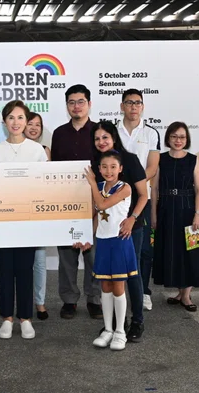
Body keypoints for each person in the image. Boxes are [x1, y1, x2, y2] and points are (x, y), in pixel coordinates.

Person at [0, 100, 48, 339]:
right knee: (4, 270)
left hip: (27, 221)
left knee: (25, 270)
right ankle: (7, 318)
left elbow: (43, 185)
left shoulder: (36, 150)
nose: (16, 122)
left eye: (20, 117)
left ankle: (25, 318)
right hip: (1, 222)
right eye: (11, 118)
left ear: (27, 121)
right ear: (4, 122)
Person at [91, 121, 148, 341]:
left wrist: (132, 219)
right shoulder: (99, 164)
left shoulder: (130, 160)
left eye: (105, 137)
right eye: (97, 139)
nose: (101, 142)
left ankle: (137, 322)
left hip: (130, 227)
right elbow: (98, 203)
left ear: (113, 137)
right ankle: (115, 325)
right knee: (111, 278)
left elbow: (143, 195)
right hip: (108, 231)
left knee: (131, 277)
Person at [76, 151, 136, 351]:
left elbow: (102, 204)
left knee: (118, 287)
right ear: (99, 169)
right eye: (104, 167)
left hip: (119, 242)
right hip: (102, 242)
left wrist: (92, 183)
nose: (108, 171)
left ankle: (120, 331)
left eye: (113, 167)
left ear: (120, 169)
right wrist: (86, 238)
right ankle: (108, 329)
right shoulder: (99, 186)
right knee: (105, 287)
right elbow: (95, 214)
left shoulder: (125, 188)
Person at [50, 84, 101, 320]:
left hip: (96, 200)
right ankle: (69, 300)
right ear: (67, 106)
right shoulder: (59, 133)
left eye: (80, 101)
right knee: (67, 257)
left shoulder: (100, 132)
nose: (76, 106)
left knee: (93, 255)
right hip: (66, 201)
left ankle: (95, 299)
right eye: (71, 102)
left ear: (89, 104)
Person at [151, 122, 199, 312]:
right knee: (172, 251)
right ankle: (179, 292)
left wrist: (197, 214)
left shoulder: (193, 159)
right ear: (168, 138)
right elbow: (155, 188)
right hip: (166, 210)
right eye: (174, 136)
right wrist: (153, 214)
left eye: (182, 137)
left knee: (190, 252)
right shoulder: (160, 159)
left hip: (188, 211)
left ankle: (186, 295)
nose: (178, 140)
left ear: (187, 140)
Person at [117, 88, 161, 311]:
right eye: (129, 102)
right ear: (122, 106)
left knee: (143, 250)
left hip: (142, 198)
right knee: (117, 246)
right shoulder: (113, 131)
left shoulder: (151, 133)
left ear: (142, 107)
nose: (133, 107)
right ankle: (119, 292)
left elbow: (152, 167)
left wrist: (135, 184)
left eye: (137, 103)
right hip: (116, 198)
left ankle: (143, 291)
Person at [25, 112, 52, 320]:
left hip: (39, 211)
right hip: (17, 212)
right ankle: (23, 302)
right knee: (21, 263)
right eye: (30, 124)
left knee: (40, 261)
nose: (34, 128)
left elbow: (48, 181)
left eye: (38, 125)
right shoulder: (11, 150)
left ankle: (40, 303)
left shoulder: (44, 151)